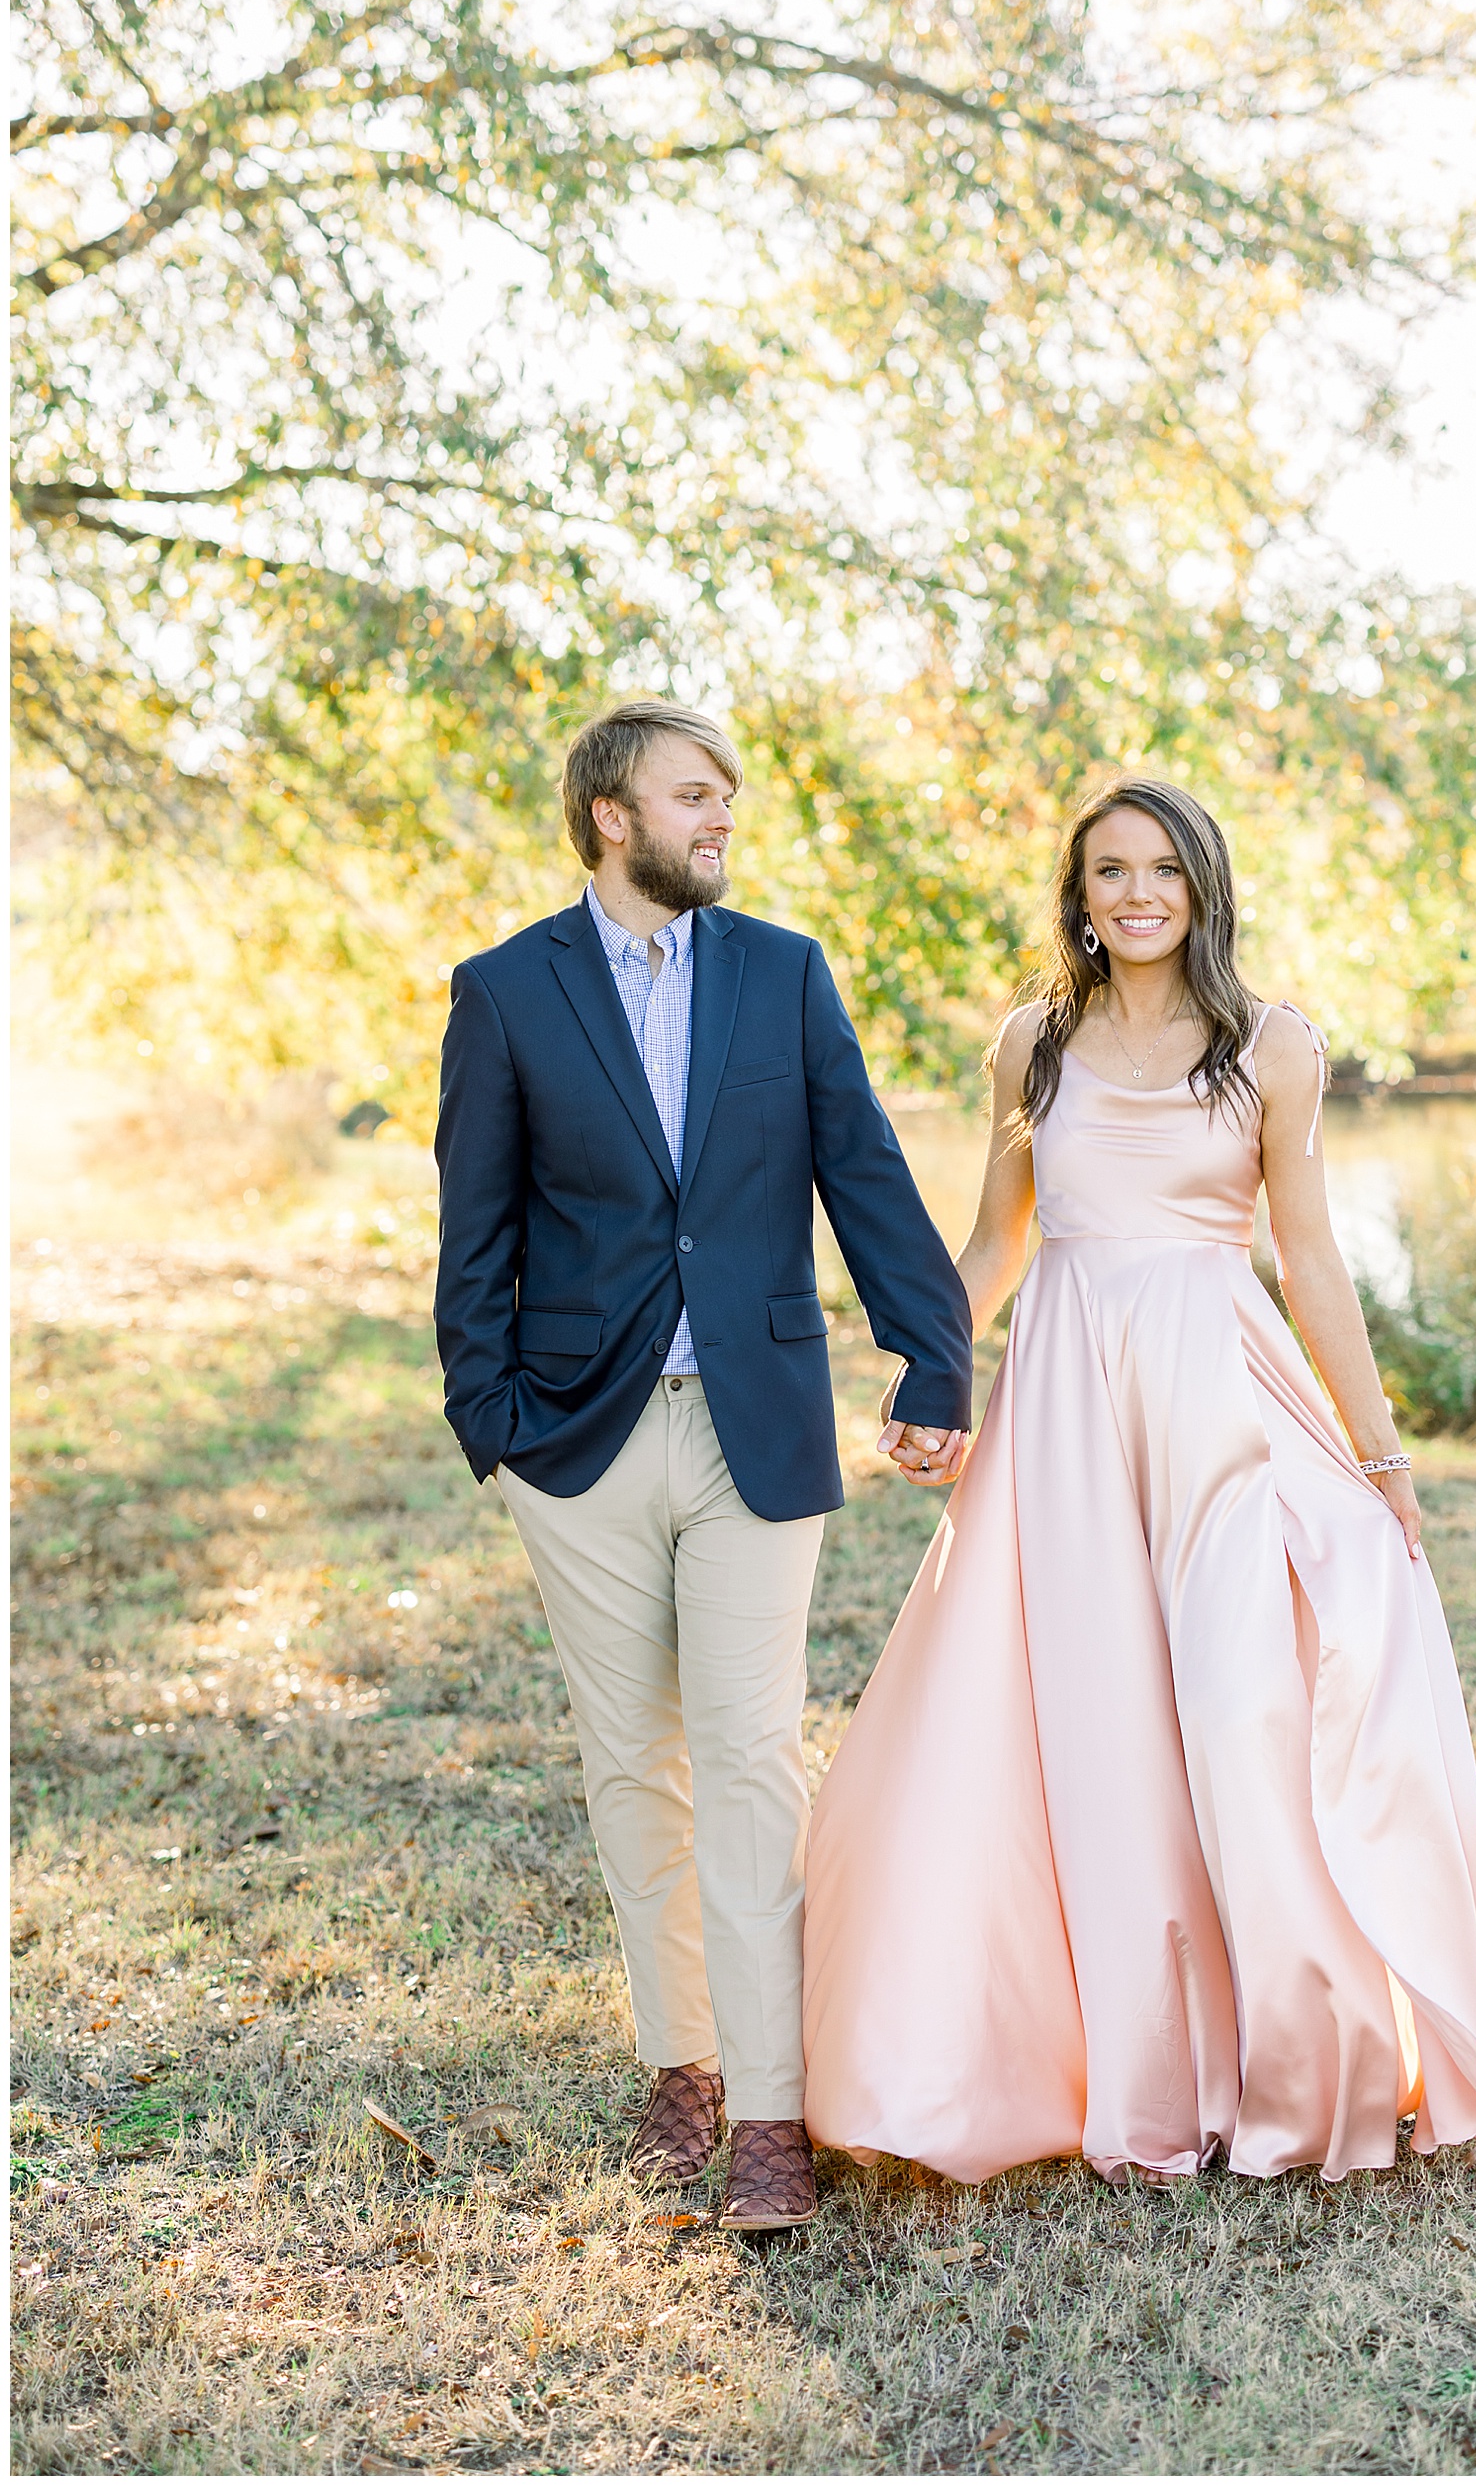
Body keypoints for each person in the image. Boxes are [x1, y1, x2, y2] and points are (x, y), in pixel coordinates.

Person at [803, 778, 1476, 2185]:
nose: (1134, 893)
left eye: (1161, 869)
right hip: (1065, 1395)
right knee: (1084, 1719)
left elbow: (1310, 1262)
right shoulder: (1034, 1044)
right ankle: (1098, 2061)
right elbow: (998, 1241)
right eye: (1108, 869)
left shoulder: (1273, 1046)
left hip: (1218, 1396)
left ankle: (1292, 2054)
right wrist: (931, 1371)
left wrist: (1378, 1455)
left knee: (1241, 1705)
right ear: (1079, 891)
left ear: (1202, 886)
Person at [434, 700, 972, 2229]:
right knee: (635, 1765)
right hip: (579, 1442)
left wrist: (929, 1352)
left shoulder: (782, 974)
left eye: (727, 794)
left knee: (746, 1752)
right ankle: (683, 2064)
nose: (721, 816)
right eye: (693, 794)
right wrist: (498, 1428)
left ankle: (774, 2111)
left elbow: (859, 1162)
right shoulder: (506, 990)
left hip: (757, 1429)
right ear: (612, 815)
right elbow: (473, 1227)